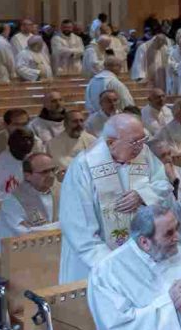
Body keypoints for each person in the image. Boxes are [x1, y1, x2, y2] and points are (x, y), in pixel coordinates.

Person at [57, 114, 171, 282]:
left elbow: (163, 184)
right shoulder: (84, 166)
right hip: (98, 263)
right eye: (134, 142)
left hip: (142, 254)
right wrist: (114, 265)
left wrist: (142, 195)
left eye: (143, 139)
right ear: (111, 142)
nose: (140, 147)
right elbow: (78, 226)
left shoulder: (143, 153)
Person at [0, 152, 58, 251]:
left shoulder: (62, 191)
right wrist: (62, 226)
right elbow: (24, 234)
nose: (51, 175)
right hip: (21, 256)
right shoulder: (13, 201)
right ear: (27, 175)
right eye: (44, 172)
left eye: (53, 170)